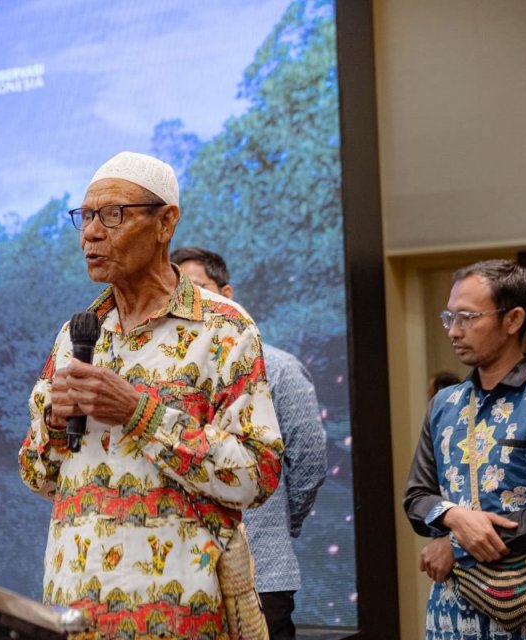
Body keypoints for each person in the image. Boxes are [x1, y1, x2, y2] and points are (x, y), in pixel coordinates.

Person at [18, 151, 284, 639]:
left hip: (180, 617)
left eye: (112, 214)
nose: (91, 233)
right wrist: (54, 424)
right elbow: (37, 475)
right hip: (76, 613)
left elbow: (257, 475)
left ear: (166, 222)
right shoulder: (76, 336)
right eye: (85, 216)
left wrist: (138, 413)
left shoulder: (223, 329)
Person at [170, 246, 327, 640]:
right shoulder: (165, 373)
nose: (188, 302)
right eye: (178, 293)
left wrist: (277, 523)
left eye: (199, 289)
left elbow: (309, 463)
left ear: (227, 294)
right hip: (179, 577)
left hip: (263, 573)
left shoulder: (279, 368)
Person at [404, 259, 526, 638]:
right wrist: (453, 516)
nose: (454, 330)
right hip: (449, 613)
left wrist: (457, 545)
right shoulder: (444, 404)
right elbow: (416, 497)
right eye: (449, 317)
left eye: (467, 317)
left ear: (513, 320)